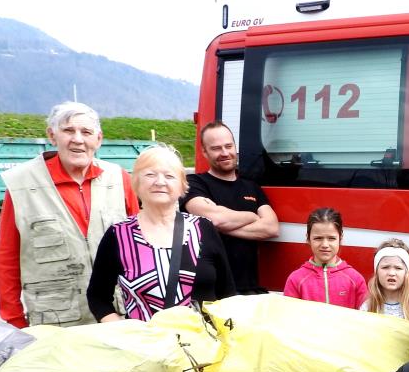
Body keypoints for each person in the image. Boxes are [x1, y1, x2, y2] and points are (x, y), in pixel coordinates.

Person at [0, 101, 139, 328]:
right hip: (55, 320)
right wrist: (14, 319)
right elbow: (8, 257)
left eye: (86, 132)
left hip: (116, 316)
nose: (78, 139)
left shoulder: (119, 179)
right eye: (68, 130)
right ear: (52, 136)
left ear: (98, 139)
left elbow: (141, 247)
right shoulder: (22, 184)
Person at [87, 145, 235, 322]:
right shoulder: (118, 235)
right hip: (145, 339)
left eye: (169, 176)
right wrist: (122, 330)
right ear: (136, 183)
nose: (160, 182)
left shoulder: (203, 228)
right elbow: (97, 297)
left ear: (182, 186)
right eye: (150, 174)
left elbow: (227, 293)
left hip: (204, 338)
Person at [182, 121, 279, 293]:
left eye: (228, 146)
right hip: (210, 292)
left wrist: (219, 226)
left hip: (248, 289)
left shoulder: (252, 187)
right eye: (216, 148)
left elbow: (271, 228)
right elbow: (216, 219)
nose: (225, 153)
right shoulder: (194, 183)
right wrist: (252, 216)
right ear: (204, 152)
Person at [283, 208, 368, 308]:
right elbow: (288, 314)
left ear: (340, 238)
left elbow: (365, 315)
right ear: (308, 239)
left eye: (331, 238)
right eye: (318, 238)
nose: (325, 245)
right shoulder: (295, 280)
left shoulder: (356, 279)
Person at [361, 238, 409, 320]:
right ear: (376, 272)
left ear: (406, 273)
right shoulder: (367, 308)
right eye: (385, 267)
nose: (391, 273)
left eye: (398, 268)